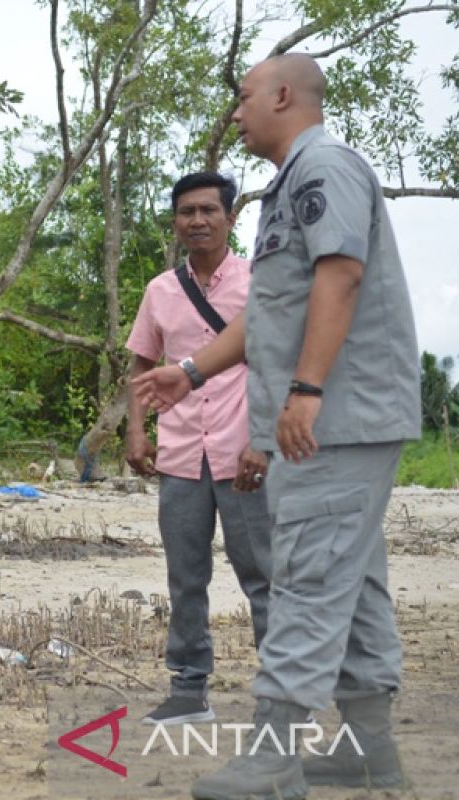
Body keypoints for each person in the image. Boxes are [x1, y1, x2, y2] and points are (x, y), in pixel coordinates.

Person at [134, 54, 420, 800]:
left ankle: (272, 756)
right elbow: (265, 314)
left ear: (284, 94)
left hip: (336, 418)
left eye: (245, 96)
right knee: (351, 583)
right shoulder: (287, 185)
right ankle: (371, 754)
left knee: (305, 576)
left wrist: (306, 388)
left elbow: (341, 274)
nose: (236, 112)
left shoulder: (325, 167)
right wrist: (189, 372)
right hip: (331, 418)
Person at [125, 172, 271, 727]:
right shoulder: (160, 290)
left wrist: (264, 440)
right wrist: (138, 431)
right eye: (187, 212)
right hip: (181, 453)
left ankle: (281, 692)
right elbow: (141, 362)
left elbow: (276, 365)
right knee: (185, 574)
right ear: (176, 222)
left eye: (209, 210)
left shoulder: (259, 283)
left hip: (244, 452)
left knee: (261, 572)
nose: (197, 221)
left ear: (231, 218)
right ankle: (188, 689)